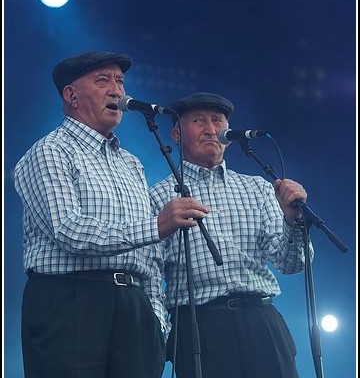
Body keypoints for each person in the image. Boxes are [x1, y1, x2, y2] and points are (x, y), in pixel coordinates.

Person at [14, 52, 208, 378]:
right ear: (71, 96)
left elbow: (149, 255)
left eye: (120, 81)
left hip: (133, 306)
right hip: (71, 300)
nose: (117, 90)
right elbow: (70, 231)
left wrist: (155, 316)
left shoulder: (131, 163)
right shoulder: (50, 151)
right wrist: (157, 225)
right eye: (103, 80)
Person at [149, 92, 314, 378]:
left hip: (262, 320)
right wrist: (159, 332)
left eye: (217, 121)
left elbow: (292, 264)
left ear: (228, 132)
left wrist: (293, 221)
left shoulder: (257, 188)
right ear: (176, 133)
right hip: (200, 325)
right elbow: (150, 274)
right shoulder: (158, 196)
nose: (210, 129)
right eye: (198, 121)